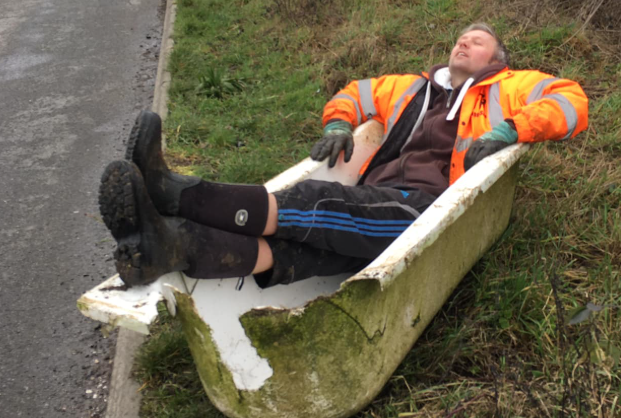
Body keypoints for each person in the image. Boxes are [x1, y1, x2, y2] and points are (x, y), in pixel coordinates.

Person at [99, 23, 588, 288]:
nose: (464, 41)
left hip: (430, 208)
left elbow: (571, 101)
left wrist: (511, 127)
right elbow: (355, 93)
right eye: (461, 36)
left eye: (477, 40)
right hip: (383, 197)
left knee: (315, 198)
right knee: (304, 252)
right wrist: (338, 121)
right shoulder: (412, 87)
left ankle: (174, 193)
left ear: (497, 59)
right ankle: (171, 247)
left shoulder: (513, 87)